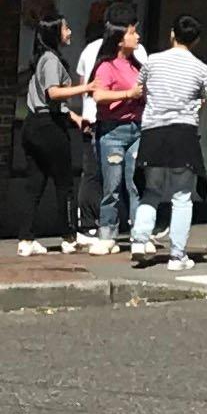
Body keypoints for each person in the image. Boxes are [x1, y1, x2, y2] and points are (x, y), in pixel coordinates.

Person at [129, 16, 207, 269]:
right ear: (196, 40)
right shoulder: (201, 68)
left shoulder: (152, 61)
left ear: (171, 34)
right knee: (182, 196)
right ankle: (177, 255)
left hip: (153, 132)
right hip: (183, 134)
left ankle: (139, 240)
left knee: (151, 191)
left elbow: (139, 89)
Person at [16, 18, 87, 255]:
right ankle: (69, 237)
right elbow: (53, 93)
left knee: (34, 184)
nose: (69, 32)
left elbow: (50, 101)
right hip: (48, 127)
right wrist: (85, 88)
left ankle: (25, 240)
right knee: (64, 183)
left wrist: (74, 117)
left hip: (33, 125)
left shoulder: (42, 59)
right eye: (66, 28)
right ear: (55, 33)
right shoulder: (51, 60)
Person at [82, 19, 146, 256]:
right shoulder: (106, 66)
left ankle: (139, 233)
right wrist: (129, 93)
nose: (137, 36)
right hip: (112, 131)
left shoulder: (136, 65)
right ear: (120, 39)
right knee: (112, 184)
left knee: (135, 183)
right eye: (132, 32)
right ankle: (107, 232)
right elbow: (98, 95)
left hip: (137, 128)